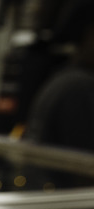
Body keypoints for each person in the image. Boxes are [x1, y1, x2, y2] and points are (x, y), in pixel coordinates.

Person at [23, 0, 94, 188]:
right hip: (59, 203)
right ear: (88, 35)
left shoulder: (67, 78)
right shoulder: (78, 86)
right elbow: (84, 169)